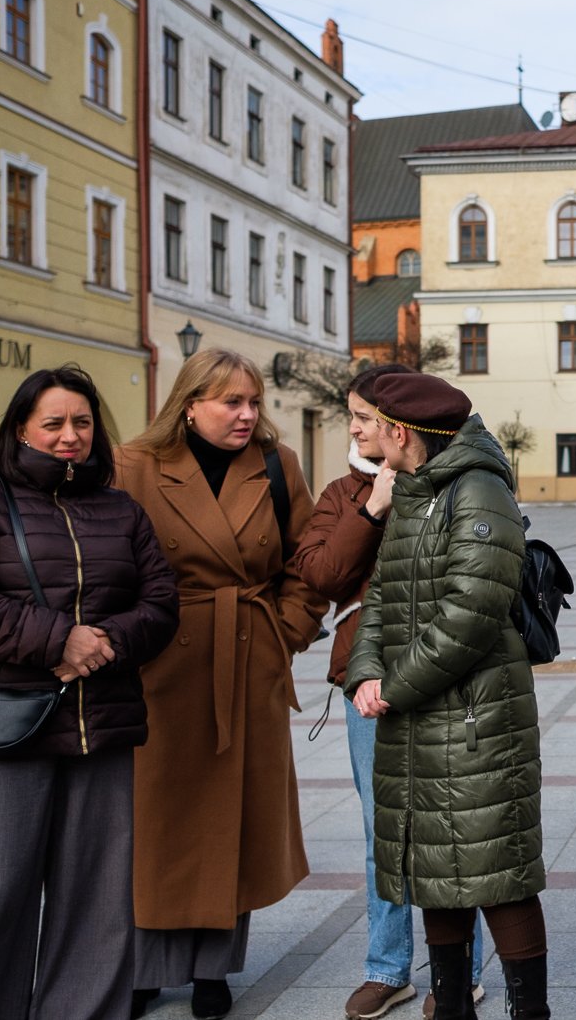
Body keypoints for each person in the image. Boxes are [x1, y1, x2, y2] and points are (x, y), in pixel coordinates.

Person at [0, 365, 180, 1020]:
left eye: (82, 423)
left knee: (97, 907)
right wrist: (58, 639)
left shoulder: (121, 508)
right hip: (8, 730)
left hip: (104, 728)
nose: (71, 435)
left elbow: (160, 603)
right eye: (54, 423)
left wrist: (104, 643)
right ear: (21, 428)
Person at [116, 349, 328, 1019]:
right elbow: (103, 561)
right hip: (159, 663)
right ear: (189, 403)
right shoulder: (133, 466)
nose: (246, 414)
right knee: (155, 822)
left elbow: (307, 562)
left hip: (244, 654)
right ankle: (145, 967)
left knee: (229, 818)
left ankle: (214, 968)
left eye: (253, 401)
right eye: (230, 401)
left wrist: (286, 630)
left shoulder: (274, 464)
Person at [344, 373, 549, 1020]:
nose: (358, 431)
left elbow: (472, 613)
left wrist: (394, 686)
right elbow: (379, 597)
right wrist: (364, 671)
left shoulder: (479, 489)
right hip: (418, 716)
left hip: (477, 718)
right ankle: (453, 1007)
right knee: (433, 867)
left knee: (499, 870)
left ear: (399, 431)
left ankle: (530, 1012)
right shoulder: (412, 489)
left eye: (365, 420)